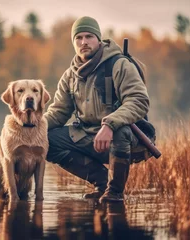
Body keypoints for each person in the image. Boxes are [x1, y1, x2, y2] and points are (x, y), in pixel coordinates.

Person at [44, 16, 154, 202]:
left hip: (127, 140)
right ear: (74, 42)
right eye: (78, 38)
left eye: (89, 36)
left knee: (121, 130)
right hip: (89, 137)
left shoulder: (119, 65)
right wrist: (29, 128)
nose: (84, 42)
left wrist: (110, 124)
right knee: (46, 140)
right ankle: (101, 182)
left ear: (99, 39)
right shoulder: (70, 76)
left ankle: (115, 193)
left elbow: (139, 100)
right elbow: (58, 112)